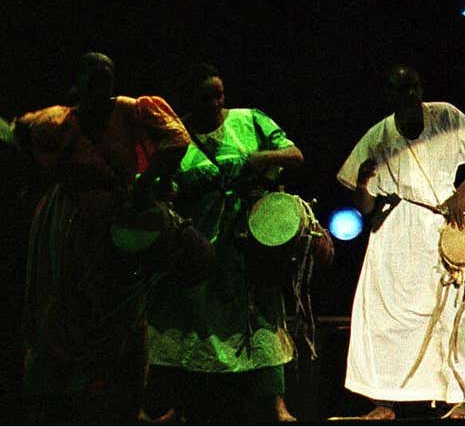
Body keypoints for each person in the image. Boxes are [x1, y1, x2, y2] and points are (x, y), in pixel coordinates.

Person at [14, 53, 192, 421]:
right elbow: (21, 132)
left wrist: (147, 184)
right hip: (71, 224)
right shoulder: (61, 119)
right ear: (80, 83)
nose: (102, 87)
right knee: (69, 304)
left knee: (129, 309)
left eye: (107, 78)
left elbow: (177, 138)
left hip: (122, 218)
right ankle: (71, 401)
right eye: (94, 79)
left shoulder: (127, 110)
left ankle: (132, 406)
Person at [145, 64, 307, 422]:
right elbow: (156, 181)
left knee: (261, 312)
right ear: (190, 99)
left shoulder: (250, 120)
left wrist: (259, 158)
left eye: (220, 94)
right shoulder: (175, 135)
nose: (216, 102)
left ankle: (276, 404)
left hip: (244, 236)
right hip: (196, 238)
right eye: (207, 97)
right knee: (184, 314)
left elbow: (295, 155)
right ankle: (175, 404)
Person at [336, 65, 465, 420]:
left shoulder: (444, 115)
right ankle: (384, 400)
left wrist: (463, 191)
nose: (409, 94)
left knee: (449, 310)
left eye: (414, 86)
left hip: (441, 223)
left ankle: (458, 398)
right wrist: (364, 185)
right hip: (395, 230)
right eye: (400, 89)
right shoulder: (377, 136)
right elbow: (363, 208)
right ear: (390, 95)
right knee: (384, 315)